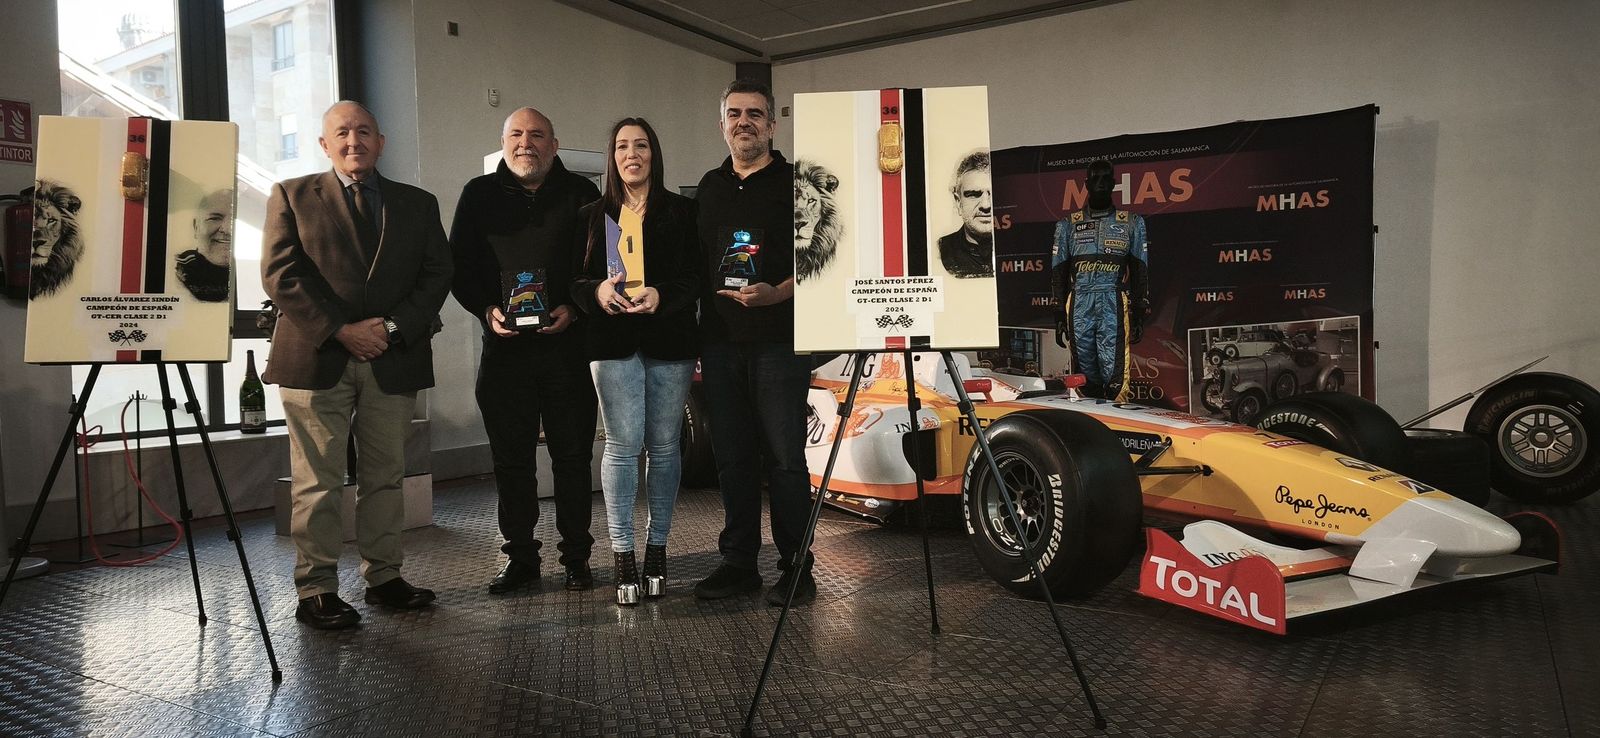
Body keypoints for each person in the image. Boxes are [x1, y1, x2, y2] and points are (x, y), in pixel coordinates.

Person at [262, 101, 453, 630]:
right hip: (317, 355)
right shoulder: (291, 195)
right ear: (324, 144)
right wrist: (342, 330)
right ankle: (317, 589)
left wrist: (389, 329)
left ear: (381, 141)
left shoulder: (417, 203)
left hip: (392, 356)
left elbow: (437, 274)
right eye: (342, 132)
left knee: (385, 477)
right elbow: (280, 275)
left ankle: (384, 578)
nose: (354, 141)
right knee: (317, 481)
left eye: (364, 131)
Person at [448, 108, 602, 594]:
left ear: (554, 145)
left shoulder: (583, 194)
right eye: (516, 134)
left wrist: (575, 308)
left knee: (572, 459)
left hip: (567, 350)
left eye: (537, 135)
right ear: (503, 142)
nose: (525, 143)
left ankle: (577, 558)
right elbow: (459, 267)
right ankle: (520, 559)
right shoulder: (478, 194)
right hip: (505, 352)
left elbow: (602, 265)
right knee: (511, 462)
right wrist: (487, 310)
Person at [692, 79, 817, 606]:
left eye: (755, 114)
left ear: (772, 124)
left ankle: (797, 567)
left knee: (785, 459)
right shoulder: (709, 186)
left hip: (779, 341)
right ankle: (738, 563)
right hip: (720, 343)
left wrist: (777, 294)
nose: (744, 122)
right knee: (733, 458)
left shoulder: (798, 183)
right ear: (722, 123)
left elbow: (822, 259)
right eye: (734, 114)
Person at [570, 118, 700, 606]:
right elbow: (572, 280)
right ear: (612, 156)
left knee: (664, 447)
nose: (632, 154)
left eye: (641, 145)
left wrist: (662, 294)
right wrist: (596, 292)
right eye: (622, 146)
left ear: (653, 154)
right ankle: (622, 553)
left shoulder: (682, 212)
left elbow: (696, 277)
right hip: (611, 341)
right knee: (622, 447)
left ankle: (657, 550)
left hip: (670, 339)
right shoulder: (591, 216)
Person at [1049, 159, 1150, 401]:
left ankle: (1115, 419)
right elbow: (1058, 272)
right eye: (1096, 179)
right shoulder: (1067, 225)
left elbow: (1140, 270)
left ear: (1114, 183)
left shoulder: (1132, 222)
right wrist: (1058, 312)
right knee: (1084, 376)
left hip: (1112, 301)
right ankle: (1089, 418)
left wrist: (1139, 311)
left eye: (1106, 179)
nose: (1101, 184)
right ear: (1086, 184)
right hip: (1079, 303)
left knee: (1115, 376)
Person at [937, 151, 994, 279]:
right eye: (973, 194)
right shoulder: (941, 250)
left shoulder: (1023, 249)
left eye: (994, 194)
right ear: (958, 202)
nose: (986, 205)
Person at [175, 189, 233, 302]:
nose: (228, 230)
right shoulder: (174, 275)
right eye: (215, 218)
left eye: (236, 219)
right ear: (196, 227)